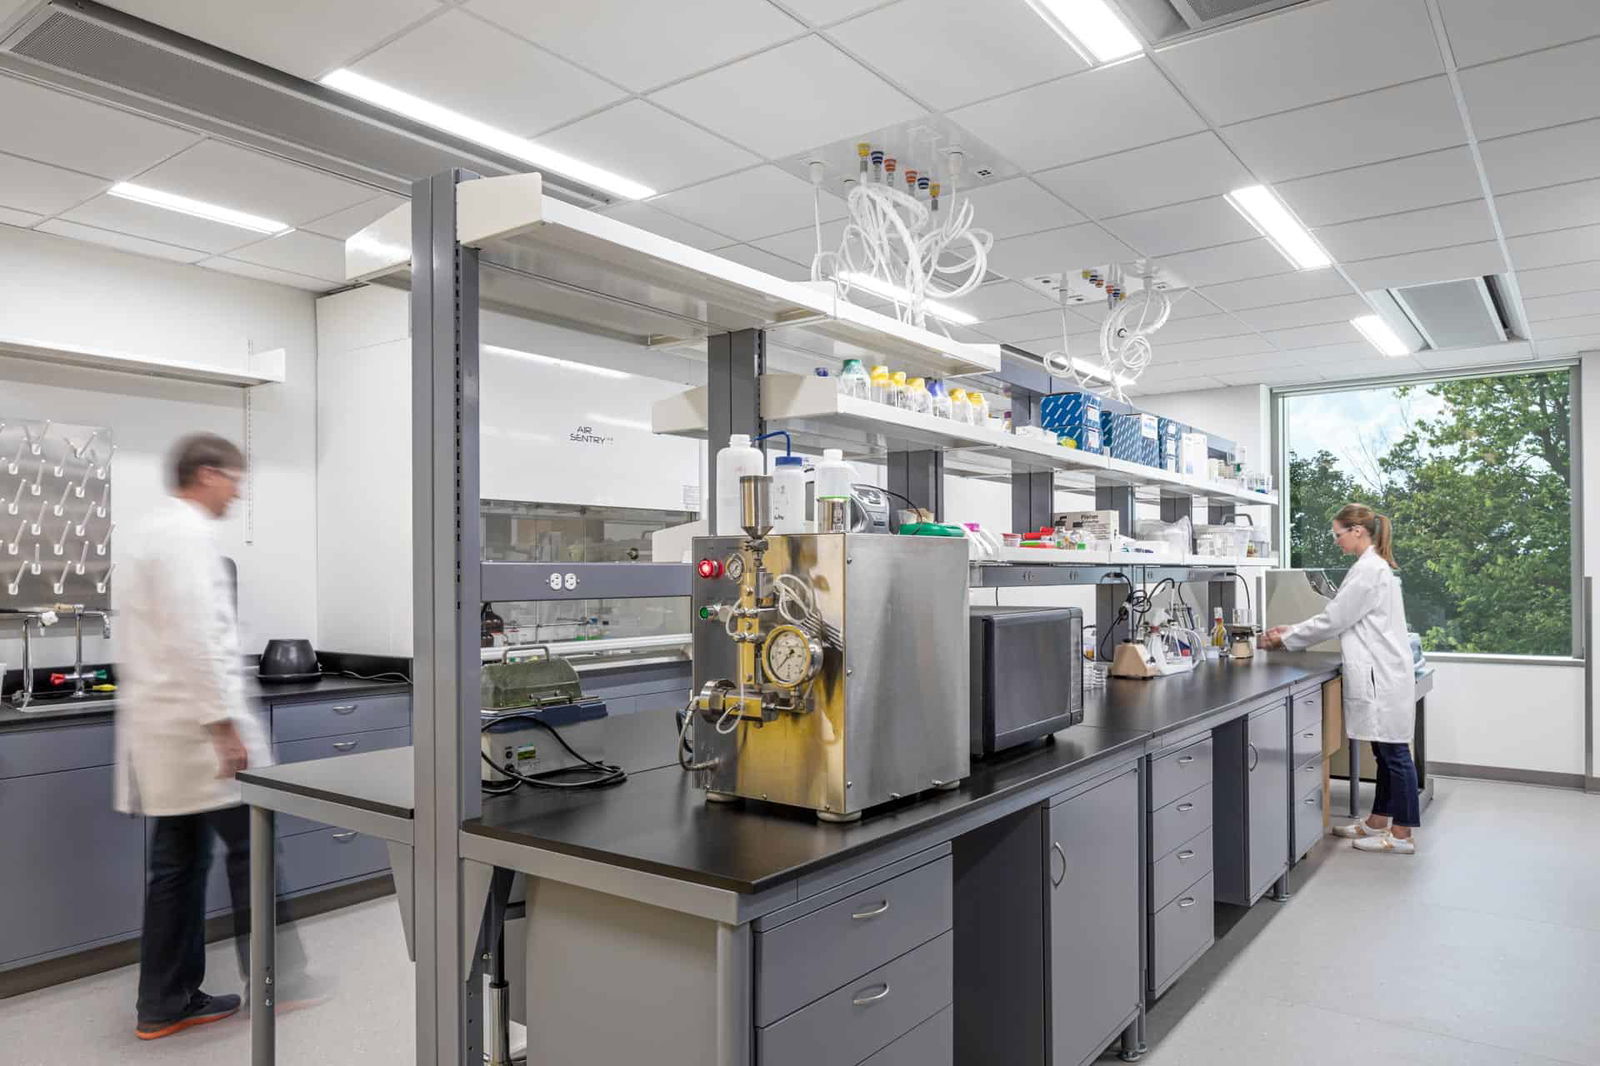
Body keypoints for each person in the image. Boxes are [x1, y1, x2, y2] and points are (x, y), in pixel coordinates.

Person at [116, 433, 307, 1039]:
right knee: (254, 851)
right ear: (206, 474)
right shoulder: (186, 538)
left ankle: (163, 1003)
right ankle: (277, 986)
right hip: (199, 738)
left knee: (176, 868)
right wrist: (223, 726)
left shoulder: (149, 533)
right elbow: (197, 641)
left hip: (169, 736)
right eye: (234, 480)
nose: (237, 493)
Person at [1259, 503, 1419, 855]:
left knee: (1394, 753)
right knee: (1383, 751)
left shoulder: (1369, 571)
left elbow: (1334, 620)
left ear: (1357, 531)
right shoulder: (1370, 567)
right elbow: (1339, 616)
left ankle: (1402, 834)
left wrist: (1285, 638)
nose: (1336, 541)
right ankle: (1377, 821)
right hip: (1383, 671)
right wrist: (1291, 630)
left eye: (1338, 534)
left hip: (1382, 674)